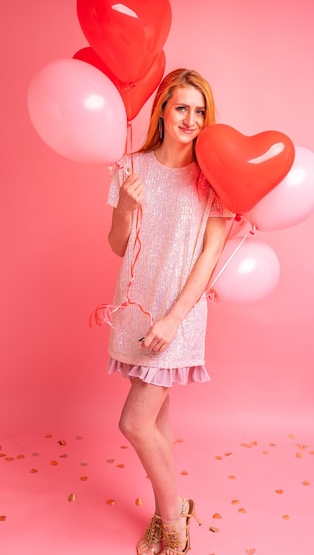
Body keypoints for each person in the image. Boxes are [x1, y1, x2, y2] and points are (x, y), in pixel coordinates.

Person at [105, 68, 233, 555]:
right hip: (137, 305)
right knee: (156, 421)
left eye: (200, 111)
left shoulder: (212, 176)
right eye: (182, 107)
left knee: (134, 422)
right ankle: (170, 509)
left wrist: (176, 317)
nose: (191, 119)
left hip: (178, 311)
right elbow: (118, 245)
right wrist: (122, 206)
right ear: (163, 108)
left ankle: (173, 516)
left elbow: (210, 255)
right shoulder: (131, 166)